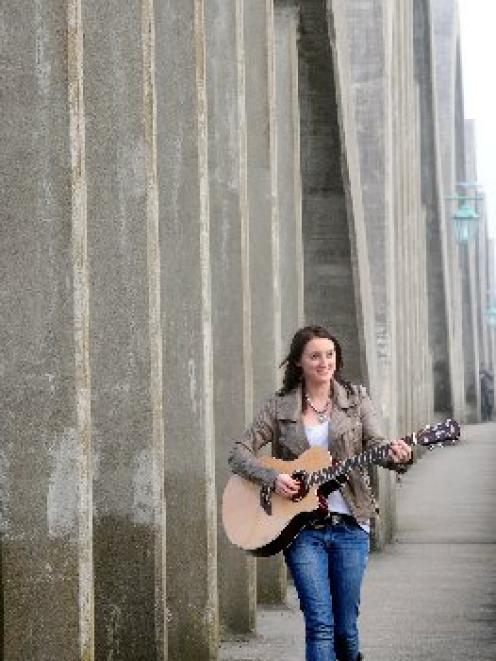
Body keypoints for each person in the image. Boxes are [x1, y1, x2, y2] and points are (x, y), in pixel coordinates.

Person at [229, 325, 412, 661]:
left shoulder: (356, 400)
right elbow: (239, 453)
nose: (324, 361)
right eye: (315, 355)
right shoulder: (279, 407)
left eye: (330, 354)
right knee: (319, 625)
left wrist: (398, 454)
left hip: (351, 524)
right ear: (299, 361)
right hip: (302, 530)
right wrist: (273, 477)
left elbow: (376, 445)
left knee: (345, 629)